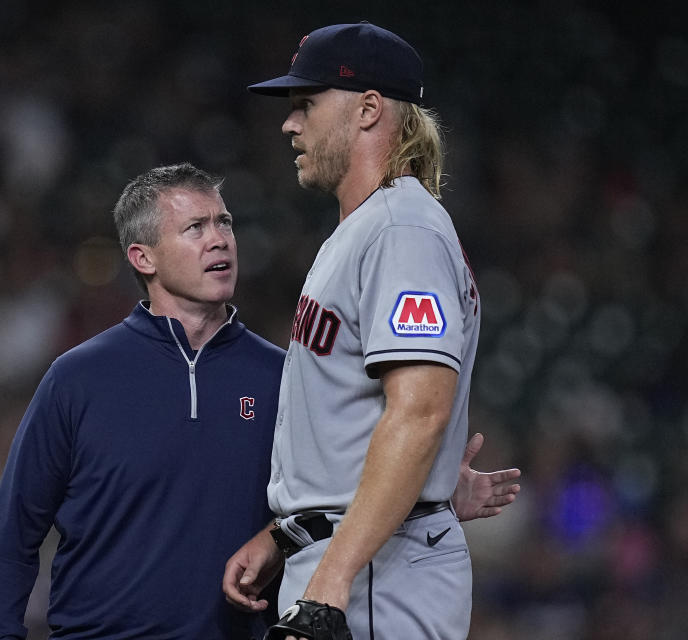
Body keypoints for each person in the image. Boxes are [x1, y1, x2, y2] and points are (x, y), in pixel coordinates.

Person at [0, 163, 517, 639]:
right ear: (143, 257)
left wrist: (431, 488)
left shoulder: (289, 375)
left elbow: (332, 498)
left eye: (224, 222)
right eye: (195, 228)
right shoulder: (78, 379)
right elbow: (11, 535)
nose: (220, 239)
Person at [223, 23, 514, 640]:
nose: (289, 123)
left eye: (306, 103)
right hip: (357, 559)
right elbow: (360, 422)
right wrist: (286, 537)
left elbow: (420, 413)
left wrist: (332, 580)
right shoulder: (370, 229)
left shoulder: (399, 231)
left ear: (369, 109)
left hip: (373, 578)